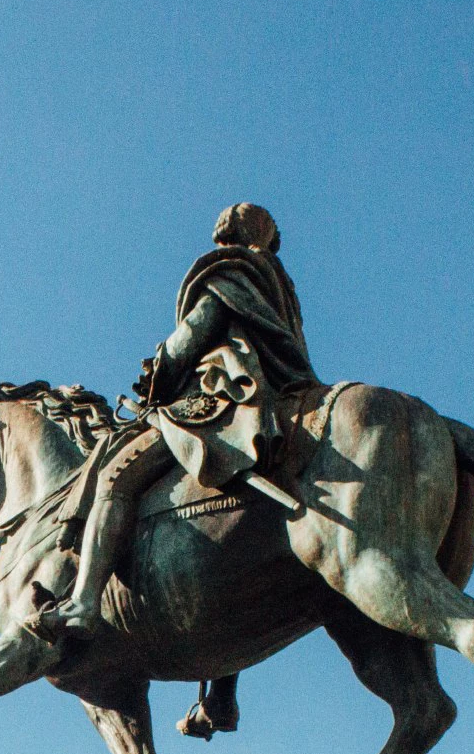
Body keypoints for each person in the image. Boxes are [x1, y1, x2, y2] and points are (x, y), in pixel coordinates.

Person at [47, 203, 318, 638]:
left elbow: (194, 333)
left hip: (220, 396)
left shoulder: (231, 271)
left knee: (115, 479)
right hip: (277, 394)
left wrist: (157, 369)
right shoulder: (278, 282)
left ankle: (82, 601)